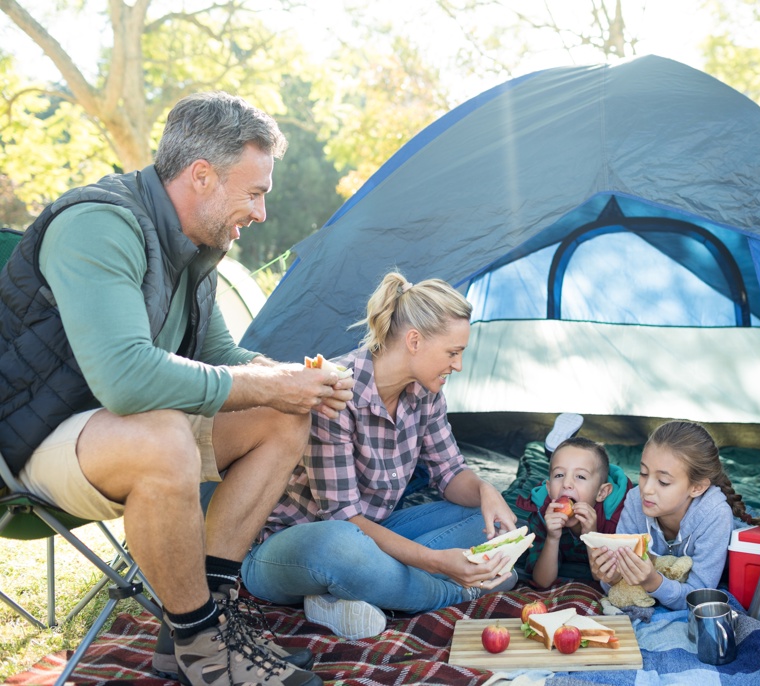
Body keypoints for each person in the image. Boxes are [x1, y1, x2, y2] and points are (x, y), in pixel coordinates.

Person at [0, 92, 355, 686]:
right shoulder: (98, 224)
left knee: (278, 417)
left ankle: (208, 619)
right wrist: (265, 380)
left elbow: (220, 359)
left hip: (115, 429)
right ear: (201, 176)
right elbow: (126, 379)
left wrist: (292, 382)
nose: (262, 212)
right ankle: (205, 651)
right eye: (255, 191)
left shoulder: (195, 250)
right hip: (31, 440)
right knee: (163, 434)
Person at [241, 272, 519, 639]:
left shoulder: (426, 394)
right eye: (453, 353)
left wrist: (487, 492)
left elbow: (450, 473)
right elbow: (345, 519)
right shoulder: (336, 391)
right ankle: (455, 590)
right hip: (296, 547)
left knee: (484, 521)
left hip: (374, 537)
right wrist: (438, 562)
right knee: (340, 548)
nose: (458, 365)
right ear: (415, 341)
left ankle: (355, 595)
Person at [588, 420, 754, 609]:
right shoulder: (635, 500)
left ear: (697, 487)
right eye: (643, 473)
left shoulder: (715, 517)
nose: (646, 489)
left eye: (663, 482)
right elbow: (617, 584)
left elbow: (698, 596)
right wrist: (610, 576)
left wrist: (653, 583)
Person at [517, 436, 631, 588]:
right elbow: (542, 582)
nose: (567, 484)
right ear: (549, 489)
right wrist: (552, 537)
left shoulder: (618, 518)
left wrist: (592, 535)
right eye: (559, 475)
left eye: (580, 476)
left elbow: (604, 578)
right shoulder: (544, 513)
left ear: (601, 493)